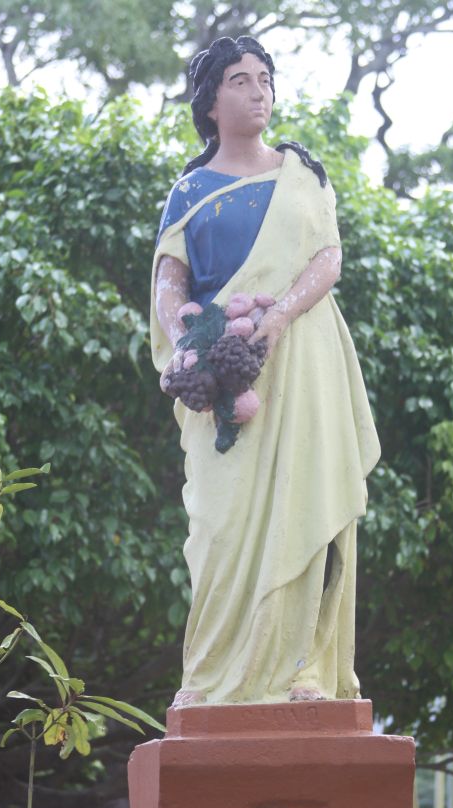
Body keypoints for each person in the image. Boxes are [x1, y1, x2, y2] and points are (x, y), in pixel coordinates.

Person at [151, 36, 380, 708]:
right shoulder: (188, 190)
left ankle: (301, 669)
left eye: (265, 79)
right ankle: (215, 673)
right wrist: (184, 338)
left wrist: (275, 319)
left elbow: (327, 260)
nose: (259, 92)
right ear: (210, 101)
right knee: (219, 530)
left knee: (308, 505)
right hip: (222, 377)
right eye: (240, 80)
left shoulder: (302, 175)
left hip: (300, 366)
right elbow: (171, 277)